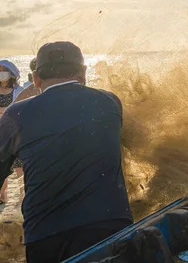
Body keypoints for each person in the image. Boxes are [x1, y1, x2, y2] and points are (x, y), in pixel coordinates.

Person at [0, 41, 132, 263]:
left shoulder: (17, 113)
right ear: (83, 72)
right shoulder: (110, 102)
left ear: (35, 79)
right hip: (112, 226)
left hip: (46, 235)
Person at [0, 59, 24, 205]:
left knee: (20, 167)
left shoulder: (19, 91)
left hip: (16, 134)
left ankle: (24, 198)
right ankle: (2, 197)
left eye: (3, 69)